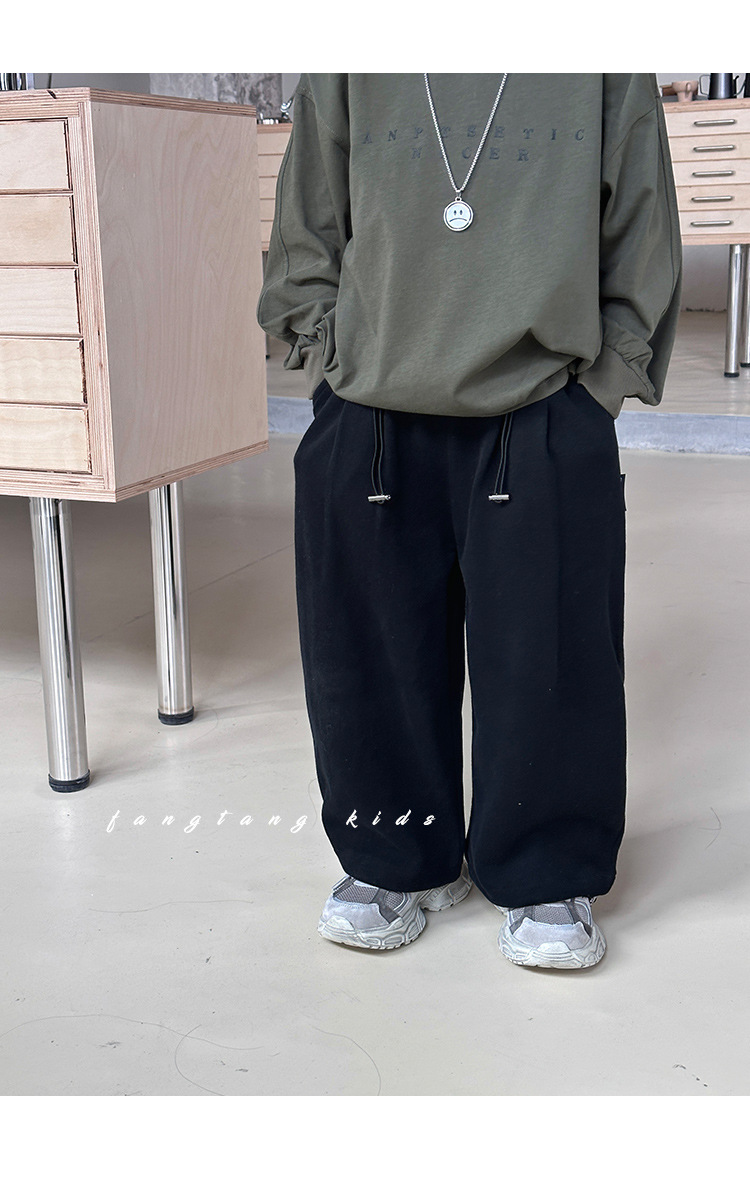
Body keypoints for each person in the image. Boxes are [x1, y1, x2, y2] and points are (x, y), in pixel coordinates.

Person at [256, 73, 682, 969]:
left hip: (545, 397)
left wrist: (603, 384)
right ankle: (393, 852)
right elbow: (308, 217)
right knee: (365, 650)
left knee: (552, 654)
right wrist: (329, 359)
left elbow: (641, 218)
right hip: (370, 400)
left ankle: (545, 866)